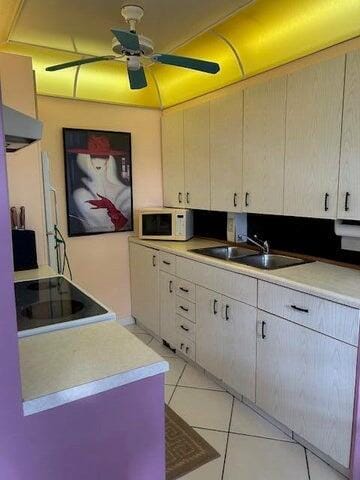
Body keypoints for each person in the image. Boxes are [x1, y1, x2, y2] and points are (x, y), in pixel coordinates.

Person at [68, 135, 131, 234]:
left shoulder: (126, 192)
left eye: (103, 156)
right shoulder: (80, 194)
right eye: (93, 156)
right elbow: (102, 224)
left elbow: (121, 225)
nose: (98, 161)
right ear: (86, 158)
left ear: (108, 159)